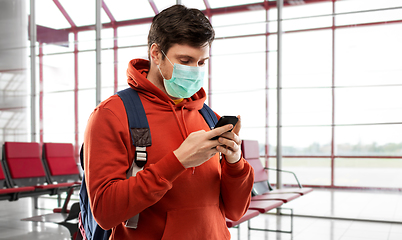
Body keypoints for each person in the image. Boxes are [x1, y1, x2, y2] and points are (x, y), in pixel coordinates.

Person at [83, 4, 254, 239]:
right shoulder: (112, 114)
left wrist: (235, 163)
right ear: (156, 54)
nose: (195, 71)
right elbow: (104, 212)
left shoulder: (208, 116)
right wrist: (177, 162)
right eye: (185, 60)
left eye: (202, 62)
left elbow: (235, 211)